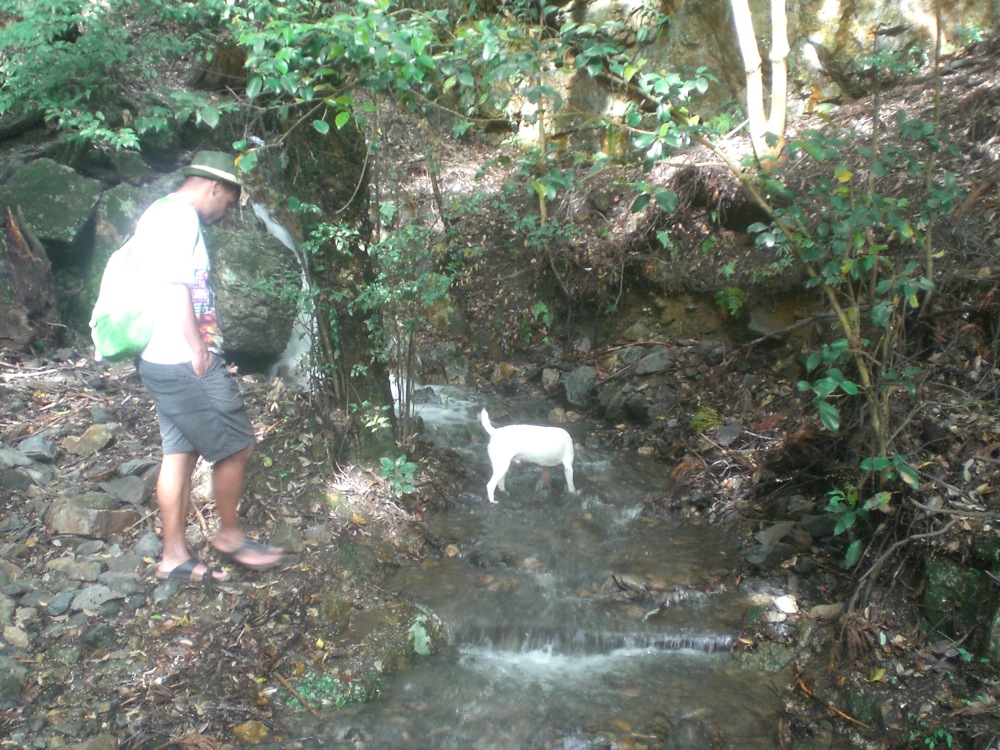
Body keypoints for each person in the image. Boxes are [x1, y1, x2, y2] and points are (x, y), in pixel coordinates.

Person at [135, 150, 283, 582]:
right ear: (215, 186)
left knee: (179, 454)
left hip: (160, 358)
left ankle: (174, 557)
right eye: (230, 200)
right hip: (183, 359)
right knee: (238, 445)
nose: (226, 211)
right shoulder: (179, 217)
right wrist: (198, 347)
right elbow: (177, 286)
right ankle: (230, 536)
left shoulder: (158, 212)